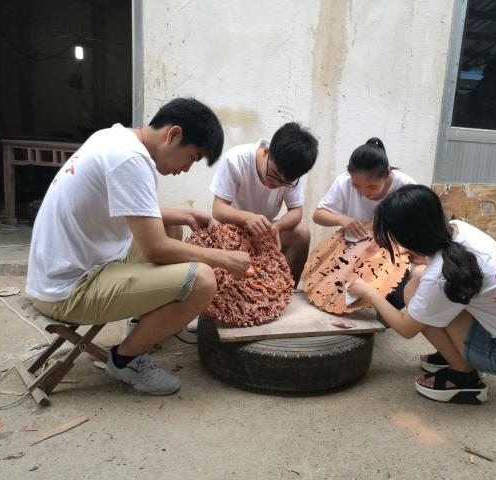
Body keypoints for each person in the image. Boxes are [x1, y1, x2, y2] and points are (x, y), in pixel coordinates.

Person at [26, 98, 251, 395]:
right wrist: (224, 258)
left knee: (171, 224)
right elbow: (156, 249)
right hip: (67, 290)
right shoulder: (131, 160)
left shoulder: (113, 137)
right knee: (203, 281)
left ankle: (142, 329)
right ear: (173, 134)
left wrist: (182, 214)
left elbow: (124, 209)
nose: (186, 168)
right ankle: (125, 360)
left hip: (63, 269)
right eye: (192, 157)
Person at [346, 184, 496, 404]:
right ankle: (457, 352)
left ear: (411, 237)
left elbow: (406, 328)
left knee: (416, 296)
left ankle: (463, 377)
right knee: (420, 279)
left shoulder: (441, 275)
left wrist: (369, 292)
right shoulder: (459, 229)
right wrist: (423, 260)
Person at [209, 122, 318, 285]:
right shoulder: (236, 160)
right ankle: (220, 289)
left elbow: (296, 211)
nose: (276, 184)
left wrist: (276, 227)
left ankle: (285, 290)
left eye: (284, 183)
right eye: (273, 175)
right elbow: (218, 209)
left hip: (264, 228)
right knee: (212, 228)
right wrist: (246, 218)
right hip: (231, 225)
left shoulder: (293, 173)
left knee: (301, 233)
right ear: (266, 151)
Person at [313, 137, 415, 309]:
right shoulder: (344, 182)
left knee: (394, 300)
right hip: (353, 250)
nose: (363, 192)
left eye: (371, 187)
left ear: (387, 173)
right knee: (330, 293)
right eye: (356, 186)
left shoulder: (406, 186)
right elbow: (318, 215)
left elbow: (416, 228)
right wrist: (341, 219)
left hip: (392, 253)